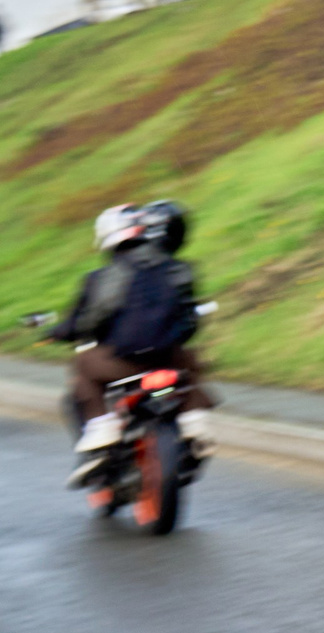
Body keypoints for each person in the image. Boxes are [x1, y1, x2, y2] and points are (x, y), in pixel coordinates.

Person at [49, 202, 216, 487]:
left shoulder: (103, 277)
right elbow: (189, 320)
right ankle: (195, 424)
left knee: (83, 364)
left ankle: (103, 433)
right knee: (190, 359)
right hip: (168, 358)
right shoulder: (179, 268)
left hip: (123, 363)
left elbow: (89, 322)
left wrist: (61, 332)